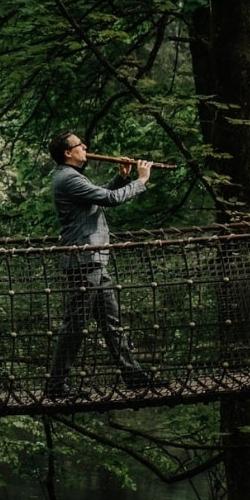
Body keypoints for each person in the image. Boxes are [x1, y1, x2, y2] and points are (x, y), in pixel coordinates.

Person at [45, 131, 161, 398]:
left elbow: (98, 199)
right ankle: (55, 386)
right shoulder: (68, 178)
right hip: (84, 261)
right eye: (79, 145)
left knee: (111, 322)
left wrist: (122, 177)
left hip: (93, 261)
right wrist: (141, 180)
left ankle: (133, 376)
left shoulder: (72, 177)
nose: (85, 147)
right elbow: (110, 200)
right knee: (74, 324)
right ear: (67, 153)